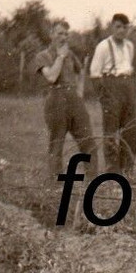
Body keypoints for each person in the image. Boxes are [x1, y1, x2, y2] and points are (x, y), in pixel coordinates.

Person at [33, 20, 96, 177]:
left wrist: (80, 91)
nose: (64, 37)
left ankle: (94, 183)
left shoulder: (70, 54)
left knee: (89, 142)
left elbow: (80, 71)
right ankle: (55, 188)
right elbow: (52, 77)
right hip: (55, 99)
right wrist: (60, 57)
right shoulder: (42, 56)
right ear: (51, 35)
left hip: (74, 99)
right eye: (60, 33)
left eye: (66, 34)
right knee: (57, 144)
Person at [89, 13, 136, 173]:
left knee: (130, 131)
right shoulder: (103, 46)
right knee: (111, 131)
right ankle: (112, 170)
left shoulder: (129, 46)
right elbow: (95, 73)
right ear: (112, 27)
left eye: (125, 27)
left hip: (128, 87)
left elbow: (129, 68)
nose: (122, 31)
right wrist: (104, 97)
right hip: (111, 87)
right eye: (118, 27)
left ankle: (128, 168)